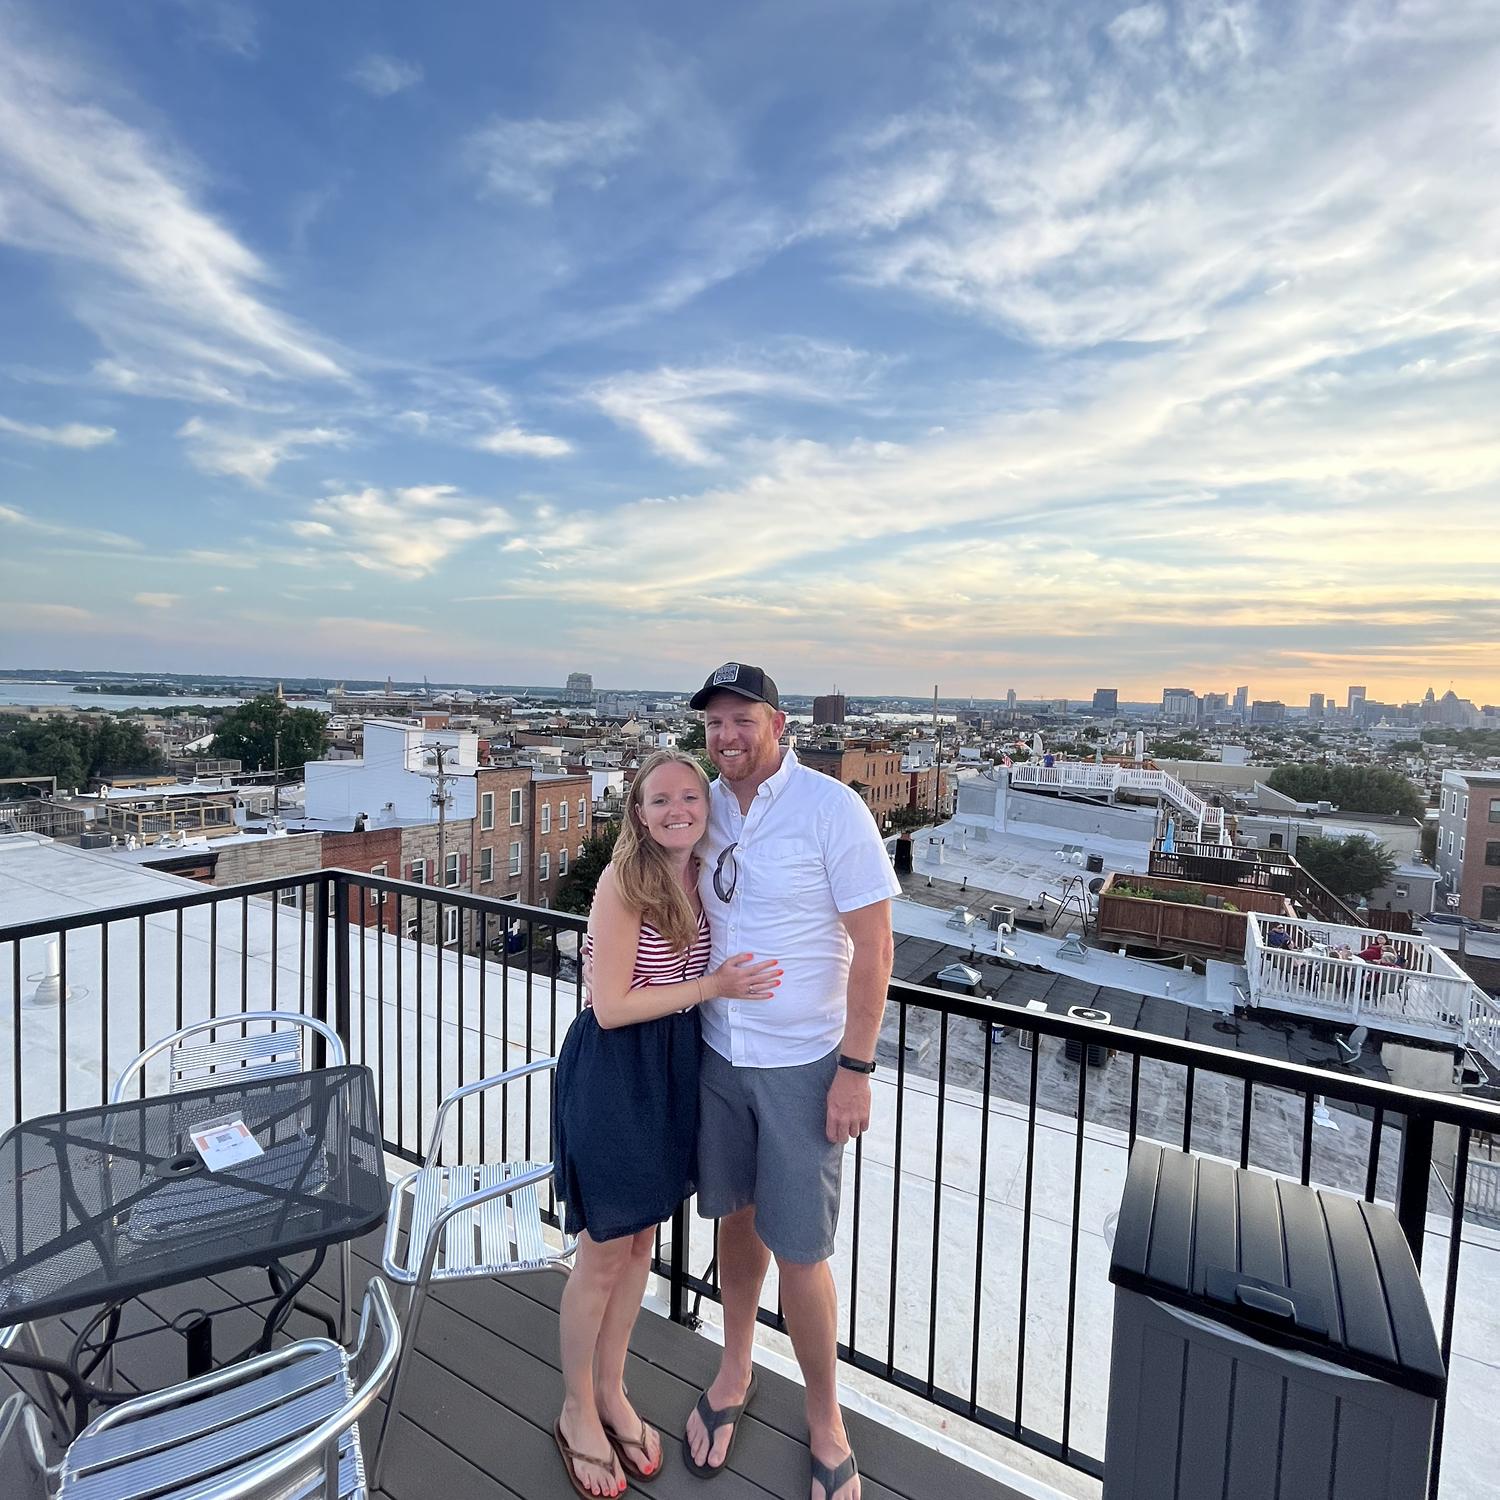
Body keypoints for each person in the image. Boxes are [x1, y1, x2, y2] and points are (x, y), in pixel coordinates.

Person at [682, 663, 899, 1500]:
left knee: (802, 1250)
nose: (727, 736)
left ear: (778, 724)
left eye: (743, 720)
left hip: (805, 1063)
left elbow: (876, 949)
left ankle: (825, 1417)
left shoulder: (830, 809)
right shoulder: (701, 805)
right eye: (714, 724)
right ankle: (734, 1368)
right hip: (718, 1053)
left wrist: (855, 1069)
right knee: (735, 1219)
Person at [552, 748, 782, 1498]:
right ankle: (577, 1409)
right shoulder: (626, 881)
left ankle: (613, 1390)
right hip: (618, 1070)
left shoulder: (702, 871)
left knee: (642, 1241)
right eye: (660, 800)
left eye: (691, 796)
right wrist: (712, 984)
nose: (679, 809)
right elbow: (612, 1006)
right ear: (638, 814)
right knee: (602, 1249)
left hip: (672, 1067)